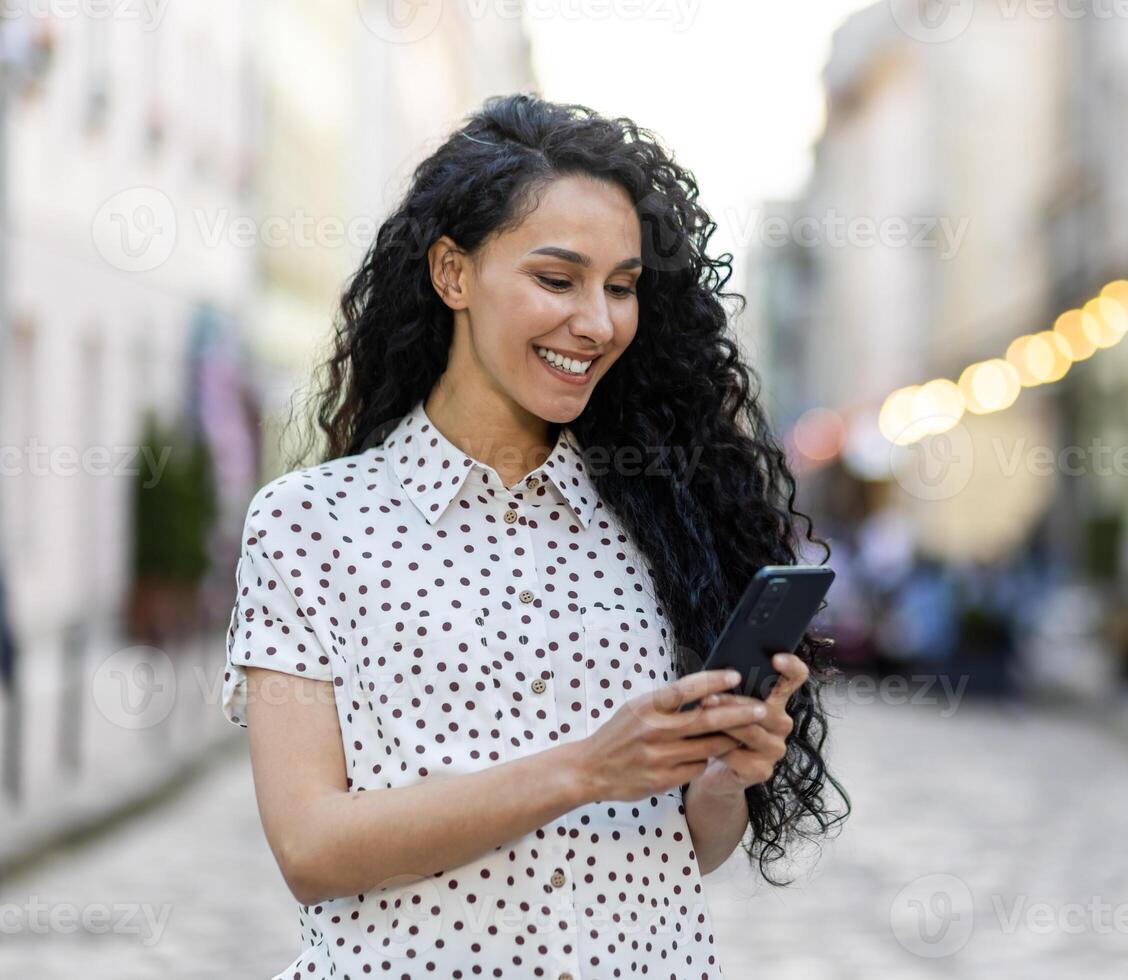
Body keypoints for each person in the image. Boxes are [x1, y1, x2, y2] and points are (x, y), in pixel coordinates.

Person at [220, 93, 851, 980]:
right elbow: (310, 847)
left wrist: (723, 777)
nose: (597, 322)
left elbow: (678, 853)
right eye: (558, 280)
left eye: (622, 287)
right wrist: (587, 769)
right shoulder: (311, 524)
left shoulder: (664, 521)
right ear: (453, 274)